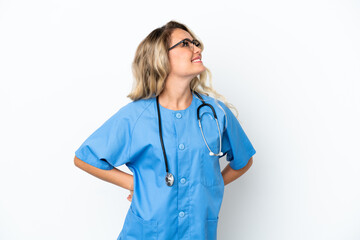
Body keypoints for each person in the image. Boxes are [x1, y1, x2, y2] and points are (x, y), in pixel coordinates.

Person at [74, 20, 256, 240]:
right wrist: (135, 184)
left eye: (195, 42)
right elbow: (85, 158)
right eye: (185, 43)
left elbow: (243, 160)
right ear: (161, 58)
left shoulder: (215, 113)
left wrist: (210, 186)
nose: (197, 48)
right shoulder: (136, 116)